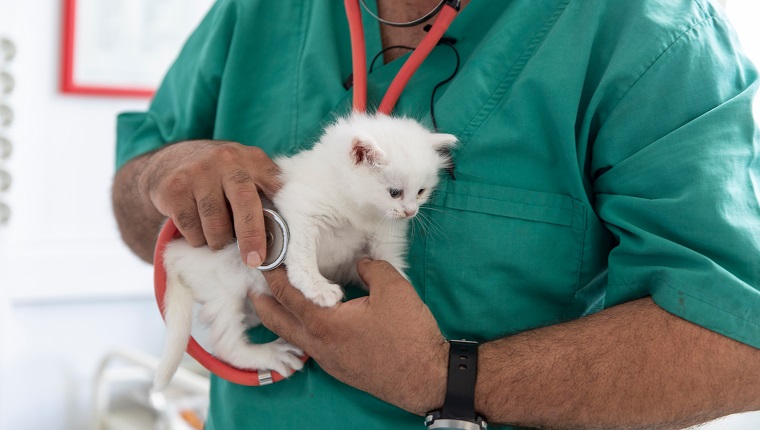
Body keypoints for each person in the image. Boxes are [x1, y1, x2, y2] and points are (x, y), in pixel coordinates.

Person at [112, 0, 760, 428]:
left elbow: (738, 340)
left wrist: (443, 378)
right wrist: (162, 175)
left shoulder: (649, 32)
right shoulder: (255, 13)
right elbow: (139, 209)